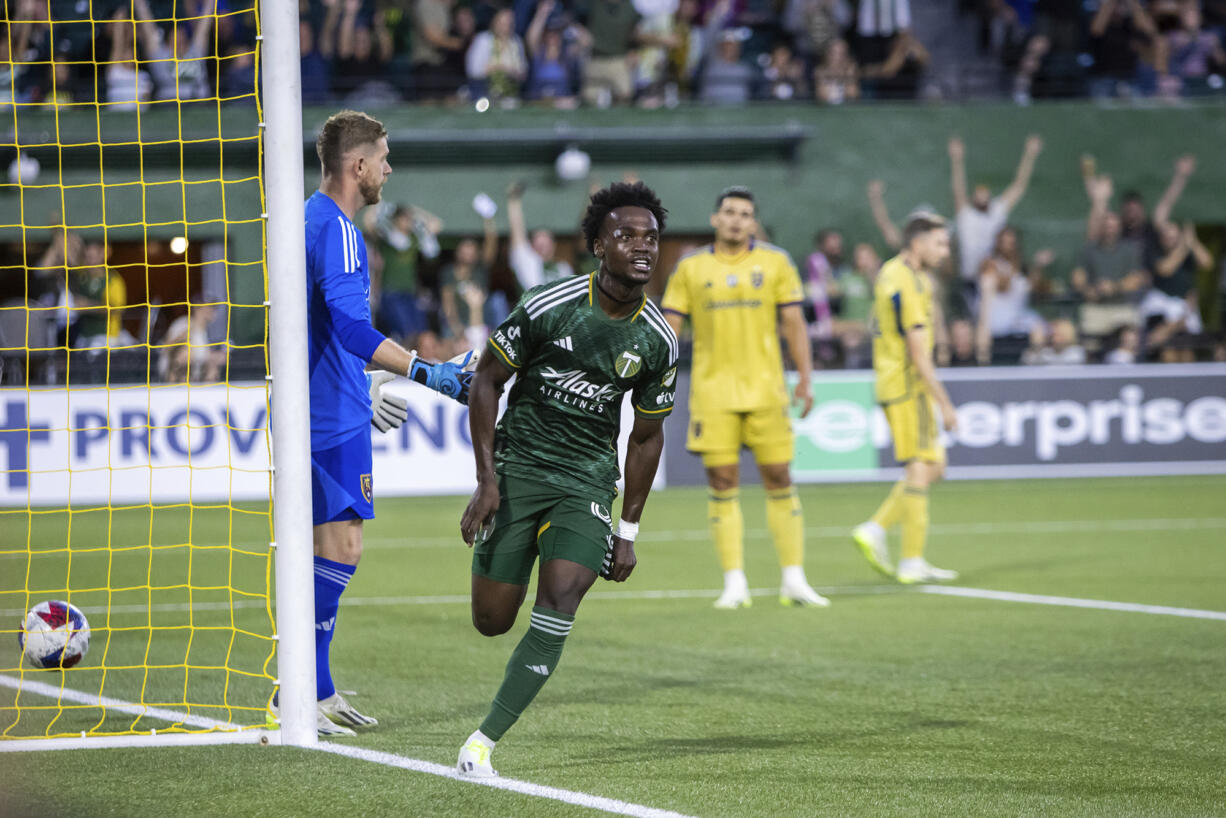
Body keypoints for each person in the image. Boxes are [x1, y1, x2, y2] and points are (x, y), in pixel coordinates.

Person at [454, 181, 678, 777]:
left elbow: (647, 436)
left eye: (650, 237)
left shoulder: (657, 340)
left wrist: (628, 530)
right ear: (598, 246)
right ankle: (505, 556)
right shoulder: (548, 303)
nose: (642, 246)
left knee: (564, 593)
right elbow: (485, 382)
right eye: (626, 235)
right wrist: (486, 479)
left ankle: (482, 744)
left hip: (586, 482)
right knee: (491, 621)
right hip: (519, 470)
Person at [278, 109, 476, 737]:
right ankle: (297, 690)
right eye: (384, 158)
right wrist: (425, 371)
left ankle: (317, 687)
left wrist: (360, 383)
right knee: (340, 547)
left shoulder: (307, 219)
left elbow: (312, 328)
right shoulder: (336, 228)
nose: (389, 169)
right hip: (327, 419)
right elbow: (351, 327)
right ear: (357, 165)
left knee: (329, 547)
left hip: (330, 403)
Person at [661, 187, 828, 610]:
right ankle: (734, 583)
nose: (737, 219)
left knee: (779, 476)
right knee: (722, 483)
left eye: (745, 214)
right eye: (730, 212)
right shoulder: (691, 267)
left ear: (753, 223)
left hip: (767, 390)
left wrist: (805, 379)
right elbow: (669, 328)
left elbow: (794, 325)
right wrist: (654, 377)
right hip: (713, 392)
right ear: (716, 219)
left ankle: (794, 578)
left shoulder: (776, 262)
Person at [851, 213, 960, 585]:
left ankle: (895, 543)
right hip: (907, 384)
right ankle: (888, 539)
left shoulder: (893, 273)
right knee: (919, 466)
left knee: (934, 466)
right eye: (940, 243)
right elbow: (917, 351)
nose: (945, 252)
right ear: (918, 243)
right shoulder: (908, 281)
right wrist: (944, 402)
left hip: (894, 381)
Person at [948, 133, 1043, 301]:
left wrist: (1030, 154)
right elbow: (958, 188)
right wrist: (957, 159)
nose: (982, 196)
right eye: (978, 193)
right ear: (972, 197)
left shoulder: (997, 210)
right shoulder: (966, 214)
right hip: (970, 279)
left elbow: (1019, 186)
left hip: (997, 278)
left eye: (985, 193)